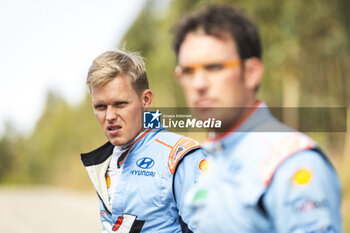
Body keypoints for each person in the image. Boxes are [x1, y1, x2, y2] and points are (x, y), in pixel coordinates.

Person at [171, 4, 342, 233]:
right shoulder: (213, 157)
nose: (199, 84)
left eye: (214, 67)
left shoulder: (292, 163)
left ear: (251, 72)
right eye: (188, 71)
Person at [80, 50, 207, 233]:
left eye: (120, 104)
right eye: (100, 107)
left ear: (145, 99)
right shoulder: (105, 161)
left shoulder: (180, 156)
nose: (109, 116)